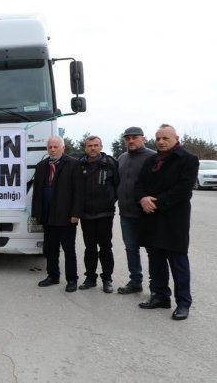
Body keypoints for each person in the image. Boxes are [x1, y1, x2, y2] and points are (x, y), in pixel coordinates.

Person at [136, 124, 198, 321]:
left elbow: (184, 189)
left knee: (178, 263)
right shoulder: (151, 160)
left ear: (176, 138)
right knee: (155, 261)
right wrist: (143, 198)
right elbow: (139, 184)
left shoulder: (188, 160)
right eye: (158, 138)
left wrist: (156, 203)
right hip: (151, 218)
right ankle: (160, 296)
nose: (161, 142)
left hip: (174, 220)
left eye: (166, 138)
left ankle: (183, 303)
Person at [32, 136, 83, 292]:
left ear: (63, 148)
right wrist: (37, 214)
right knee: (50, 249)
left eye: (55, 147)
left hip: (66, 215)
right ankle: (53, 276)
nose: (52, 150)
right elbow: (37, 193)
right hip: (48, 215)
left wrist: (75, 213)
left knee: (68, 249)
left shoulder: (73, 164)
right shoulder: (41, 166)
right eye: (50, 147)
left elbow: (79, 192)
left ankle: (72, 279)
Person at [116, 126, 156, 294]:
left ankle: (156, 286)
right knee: (131, 249)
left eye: (134, 137)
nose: (131, 140)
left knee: (153, 250)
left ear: (143, 139)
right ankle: (135, 281)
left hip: (147, 214)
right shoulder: (122, 158)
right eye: (128, 138)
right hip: (126, 213)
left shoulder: (153, 157)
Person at [77, 136, 119, 293]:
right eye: (89, 145)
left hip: (105, 214)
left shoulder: (111, 164)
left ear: (101, 146)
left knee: (106, 247)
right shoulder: (79, 164)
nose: (93, 148)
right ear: (85, 147)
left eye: (96, 145)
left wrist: (110, 201)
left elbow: (118, 186)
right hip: (86, 214)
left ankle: (107, 279)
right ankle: (90, 278)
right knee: (90, 248)